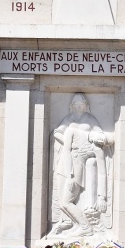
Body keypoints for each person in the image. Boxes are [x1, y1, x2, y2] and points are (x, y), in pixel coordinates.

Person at [51, 93, 111, 237]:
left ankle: (84, 226)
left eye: (81, 105)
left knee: (66, 201)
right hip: (69, 163)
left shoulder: (90, 121)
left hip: (78, 164)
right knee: (63, 200)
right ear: (72, 106)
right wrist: (68, 142)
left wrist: (102, 197)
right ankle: (72, 223)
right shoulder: (69, 123)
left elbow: (101, 137)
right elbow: (57, 133)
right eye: (76, 105)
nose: (78, 107)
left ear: (86, 106)